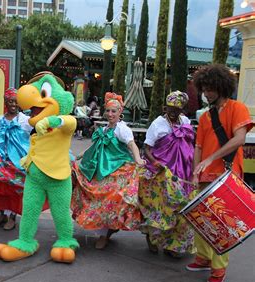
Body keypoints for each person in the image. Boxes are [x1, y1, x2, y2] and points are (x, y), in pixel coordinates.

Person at [186, 64, 252, 282]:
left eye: (210, 88)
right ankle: (203, 258)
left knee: (222, 224)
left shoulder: (238, 108)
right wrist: (196, 170)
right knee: (201, 220)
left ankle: (219, 268)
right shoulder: (205, 117)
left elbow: (239, 139)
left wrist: (210, 158)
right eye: (203, 88)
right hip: (205, 175)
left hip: (227, 174)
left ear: (222, 86)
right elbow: (198, 147)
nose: (206, 93)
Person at [71, 92, 145, 249]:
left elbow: (132, 145)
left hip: (118, 170)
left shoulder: (122, 129)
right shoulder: (104, 129)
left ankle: (105, 234)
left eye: (114, 111)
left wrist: (137, 159)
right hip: (101, 170)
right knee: (99, 199)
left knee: (111, 201)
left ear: (120, 112)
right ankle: (106, 232)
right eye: (108, 111)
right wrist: (81, 155)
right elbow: (96, 147)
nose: (110, 114)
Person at [139, 91, 196, 258]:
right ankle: (152, 237)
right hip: (161, 174)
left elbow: (189, 144)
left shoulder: (185, 121)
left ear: (182, 110)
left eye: (177, 109)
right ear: (165, 107)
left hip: (182, 172)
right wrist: (155, 162)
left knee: (179, 208)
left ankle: (173, 245)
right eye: (170, 108)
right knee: (160, 208)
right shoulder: (158, 124)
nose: (173, 112)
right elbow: (147, 148)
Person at [0, 88, 33, 230]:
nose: (13, 104)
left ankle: (12, 218)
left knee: (14, 190)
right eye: (10, 101)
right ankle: (2, 214)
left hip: (17, 162)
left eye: (16, 102)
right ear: (5, 103)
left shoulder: (25, 120)